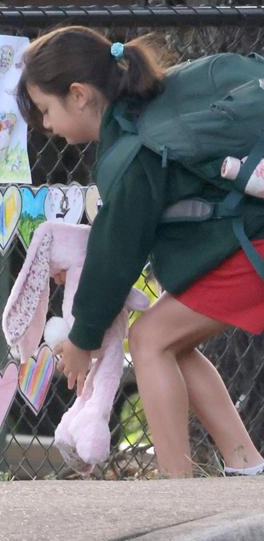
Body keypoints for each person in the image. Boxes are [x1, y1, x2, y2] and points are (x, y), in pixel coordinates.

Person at [16, 25, 264, 478]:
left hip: (256, 243)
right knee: (172, 342)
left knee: (150, 339)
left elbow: (118, 251)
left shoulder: (131, 152)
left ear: (78, 94)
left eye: (45, 110)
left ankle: (175, 491)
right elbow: (122, 233)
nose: (46, 124)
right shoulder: (148, 113)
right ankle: (246, 466)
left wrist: (82, 339)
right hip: (249, 237)